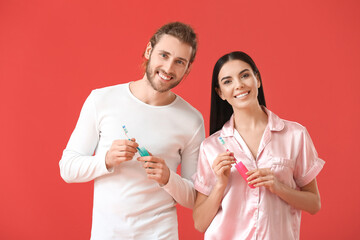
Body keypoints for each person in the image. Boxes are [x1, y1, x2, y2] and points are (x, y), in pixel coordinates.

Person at [59, 22, 205, 240]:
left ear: (188, 69)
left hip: (161, 234)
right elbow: (67, 169)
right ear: (149, 51)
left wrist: (168, 178)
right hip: (107, 234)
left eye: (179, 62)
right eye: (164, 55)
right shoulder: (101, 100)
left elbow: (195, 197)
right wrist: (106, 160)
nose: (168, 68)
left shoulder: (192, 120)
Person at [192, 51, 324, 239]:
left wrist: (279, 187)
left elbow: (314, 204)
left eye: (245, 75)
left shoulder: (295, 135)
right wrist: (220, 184)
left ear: (258, 80)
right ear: (220, 93)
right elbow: (200, 223)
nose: (239, 85)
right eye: (227, 81)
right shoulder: (211, 147)